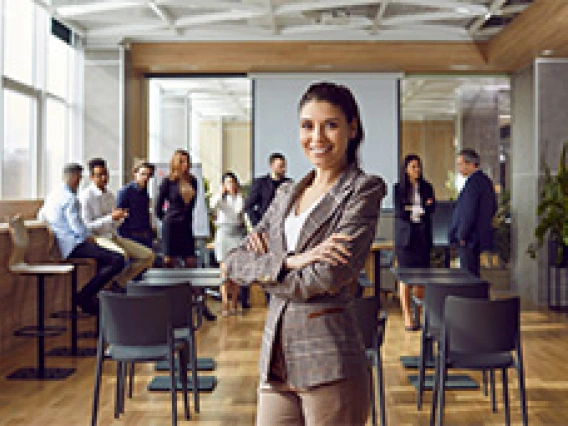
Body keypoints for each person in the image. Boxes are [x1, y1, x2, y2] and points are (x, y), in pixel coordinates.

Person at [223, 82, 386, 425]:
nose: (317, 137)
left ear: (352, 128)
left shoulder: (362, 189)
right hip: (276, 359)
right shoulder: (286, 193)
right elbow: (233, 261)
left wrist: (264, 272)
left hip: (329, 362)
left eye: (331, 125)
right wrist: (290, 262)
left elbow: (325, 277)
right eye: (307, 125)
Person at [38, 163, 125, 314]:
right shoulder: (71, 199)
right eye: (80, 178)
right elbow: (77, 226)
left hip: (59, 246)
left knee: (105, 258)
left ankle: (93, 298)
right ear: (75, 179)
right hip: (72, 245)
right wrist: (88, 237)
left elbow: (41, 216)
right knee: (117, 259)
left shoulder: (53, 195)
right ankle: (85, 296)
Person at [155, 149, 216, 321]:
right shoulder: (168, 182)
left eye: (187, 161)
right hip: (171, 227)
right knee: (169, 263)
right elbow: (159, 208)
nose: (186, 165)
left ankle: (199, 303)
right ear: (175, 163)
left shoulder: (194, 181)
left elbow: (193, 206)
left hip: (186, 227)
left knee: (191, 263)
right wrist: (169, 220)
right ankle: (170, 304)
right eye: (182, 161)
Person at [79, 158, 155, 288]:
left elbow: (114, 223)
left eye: (105, 174)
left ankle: (118, 283)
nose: (104, 178)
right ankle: (108, 288)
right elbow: (87, 226)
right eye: (99, 175)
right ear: (92, 177)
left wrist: (119, 218)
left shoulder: (110, 195)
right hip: (97, 238)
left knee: (148, 256)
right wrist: (111, 218)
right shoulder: (86, 196)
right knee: (121, 255)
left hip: (112, 236)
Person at [242, 152, 292, 308]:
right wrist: (259, 227)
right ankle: (270, 299)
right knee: (266, 264)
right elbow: (248, 206)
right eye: (279, 165)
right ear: (272, 166)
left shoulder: (289, 184)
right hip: (265, 231)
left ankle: (280, 297)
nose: (283, 168)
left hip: (283, 231)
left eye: (284, 165)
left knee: (281, 264)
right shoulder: (260, 183)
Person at [394, 154, 435, 331]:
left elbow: (432, 208)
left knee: (421, 279)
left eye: (418, 166)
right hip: (405, 239)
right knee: (405, 278)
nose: (417, 170)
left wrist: (414, 209)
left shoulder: (427, 187)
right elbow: (400, 212)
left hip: (422, 237)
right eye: (413, 167)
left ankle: (420, 314)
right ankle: (407, 317)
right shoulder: (398, 188)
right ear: (406, 169)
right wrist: (420, 208)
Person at [449, 148, 497, 277]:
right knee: (473, 273)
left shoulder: (474, 183)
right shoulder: (485, 181)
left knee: (468, 275)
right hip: (476, 236)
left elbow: (468, 212)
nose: (458, 168)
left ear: (470, 164)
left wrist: (462, 235)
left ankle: (471, 298)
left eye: (460, 164)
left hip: (469, 238)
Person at [210, 172, 247, 316]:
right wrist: (221, 193)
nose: (230, 185)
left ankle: (234, 302)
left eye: (232, 182)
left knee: (236, 270)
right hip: (223, 233)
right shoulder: (220, 198)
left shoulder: (240, 198)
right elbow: (213, 204)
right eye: (227, 182)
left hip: (237, 232)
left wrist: (234, 195)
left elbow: (238, 212)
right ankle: (225, 302)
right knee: (224, 270)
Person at [117, 160, 155, 249]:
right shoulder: (126, 191)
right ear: (135, 173)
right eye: (143, 174)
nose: (146, 178)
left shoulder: (144, 192)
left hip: (145, 234)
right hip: (130, 235)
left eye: (149, 175)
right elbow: (119, 216)